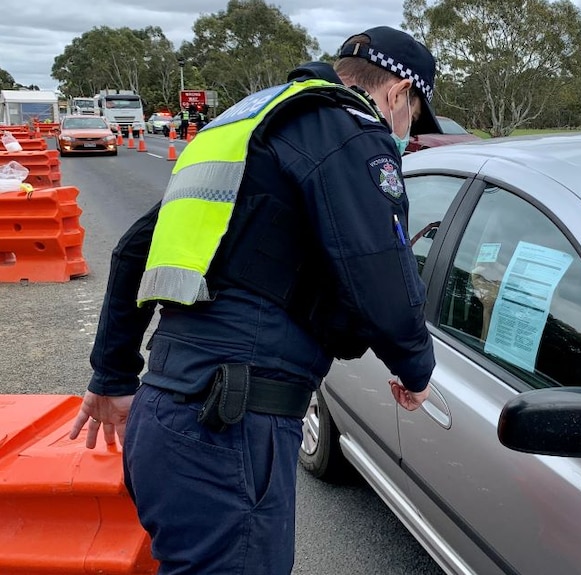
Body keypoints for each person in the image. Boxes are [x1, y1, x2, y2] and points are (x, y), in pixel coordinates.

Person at [68, 25, 442, 574]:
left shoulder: (244, 127)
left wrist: (113, 375)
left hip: (165, 413)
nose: (407, 134)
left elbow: (131, 253)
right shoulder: (347, 127)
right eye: (412, 117)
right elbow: (376, 262)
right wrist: (416, 367)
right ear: (396, 94)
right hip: (230, 423)